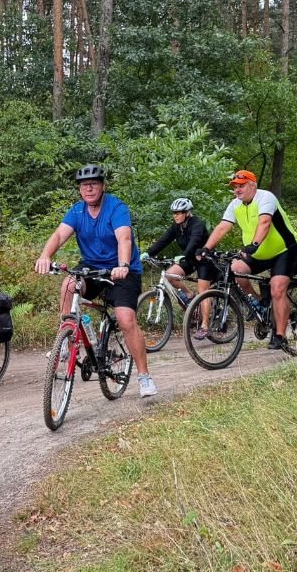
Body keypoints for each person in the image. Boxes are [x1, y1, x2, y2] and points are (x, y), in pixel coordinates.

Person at [33, 164, 157, 398]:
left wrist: (122, 265)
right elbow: (59, 234)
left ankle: (144, 376)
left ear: (103, 186)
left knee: (125, 319)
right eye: (84, 185)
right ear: (80, 190)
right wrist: (45, 256)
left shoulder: (116, 207)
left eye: (93, 184)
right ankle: (68, 345)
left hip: (122, 270)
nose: (88, 189)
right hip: (91, 266)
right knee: (69, 285)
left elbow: (124, 238)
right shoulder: (77, 211)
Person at [197, 169, 297, 351]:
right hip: (258, 253)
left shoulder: (266, 197)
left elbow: (265, 223)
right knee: (235, 269)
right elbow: (222, 227)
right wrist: (206, 248)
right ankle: (259, 302)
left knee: (277, 290)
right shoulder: (235, 204)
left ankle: (280, 335)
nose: (237, 189)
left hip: (283, 250)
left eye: (241, 185)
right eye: (235, 186)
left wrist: (254, 244)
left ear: (253, 185)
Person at [140, 198, 210, 306]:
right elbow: (164, 240)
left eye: (178, 213)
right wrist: (149, 253)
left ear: (187, 213)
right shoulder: (177, 226)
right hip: (189, 258)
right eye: (174, 213)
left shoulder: (197, 224)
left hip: (203, 259)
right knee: (169, 275)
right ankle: (189, 294)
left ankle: (205, 322)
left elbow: (194, 241)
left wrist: (183, 255)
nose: (175, 216)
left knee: (203, 292)